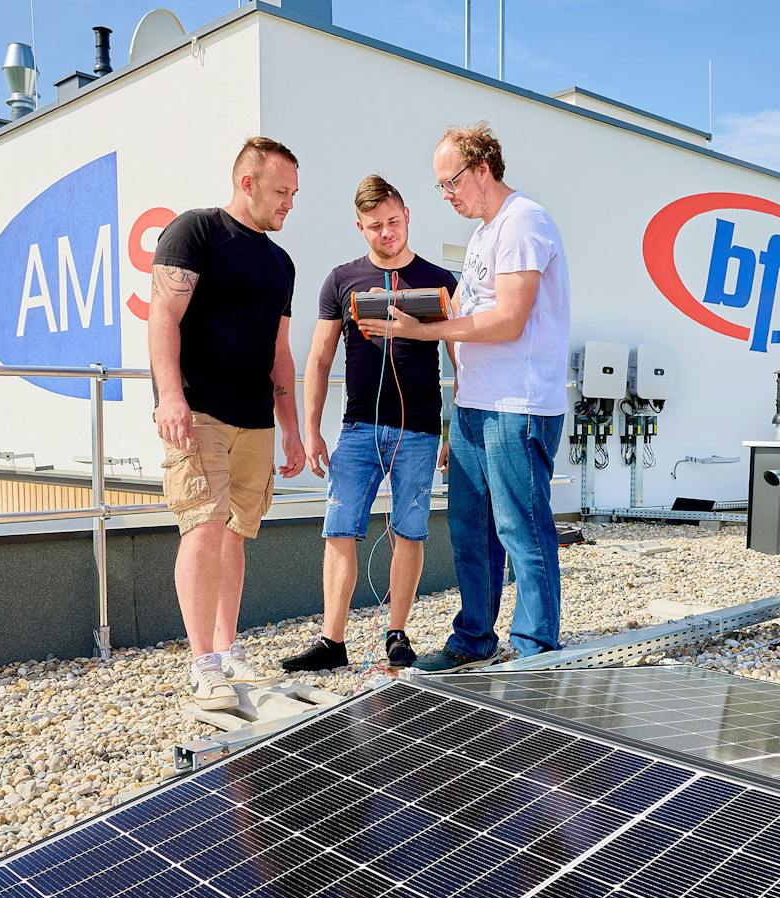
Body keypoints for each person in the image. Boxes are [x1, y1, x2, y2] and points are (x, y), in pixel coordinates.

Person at [362, 122, 570, 671]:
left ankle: (535, 649)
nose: (447, 195)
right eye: (441, 187)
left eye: (451, 182)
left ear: (483, 168)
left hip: (517, 406)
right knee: (470, 530)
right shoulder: (484, 233)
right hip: (478, 403)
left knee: (521, 528)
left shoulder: (523, 222)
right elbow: (472, 313)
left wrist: (420, 332)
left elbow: (507, 320)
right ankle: (474, 638)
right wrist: (426, 312)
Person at [149, 136, 306, 710]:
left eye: (294, 193)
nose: (289, 202)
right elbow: (164, 315)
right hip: (199, 411)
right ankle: (203, 665)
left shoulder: (280, 262)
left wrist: (290, 426)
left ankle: (228, 648)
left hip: (254, 420)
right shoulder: (196, 231)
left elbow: (280, 352)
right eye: (281, 191)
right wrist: (169, 395)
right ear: (247, 183)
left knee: (237, 531)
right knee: (204, 526)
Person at [281, 175, 457, 672]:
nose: (387, 232)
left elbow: (460, 359)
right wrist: (311, 429)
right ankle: (331, 641)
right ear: (359, 227)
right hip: (358, 430)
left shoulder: (441, 279)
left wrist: (450, 428)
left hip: (420, 431)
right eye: (375, 225)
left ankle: (397, 634)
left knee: (410, 532)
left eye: (394, 222)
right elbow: (317, 359)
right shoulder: (342, 280)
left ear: (407, 217)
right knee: (339, 529)